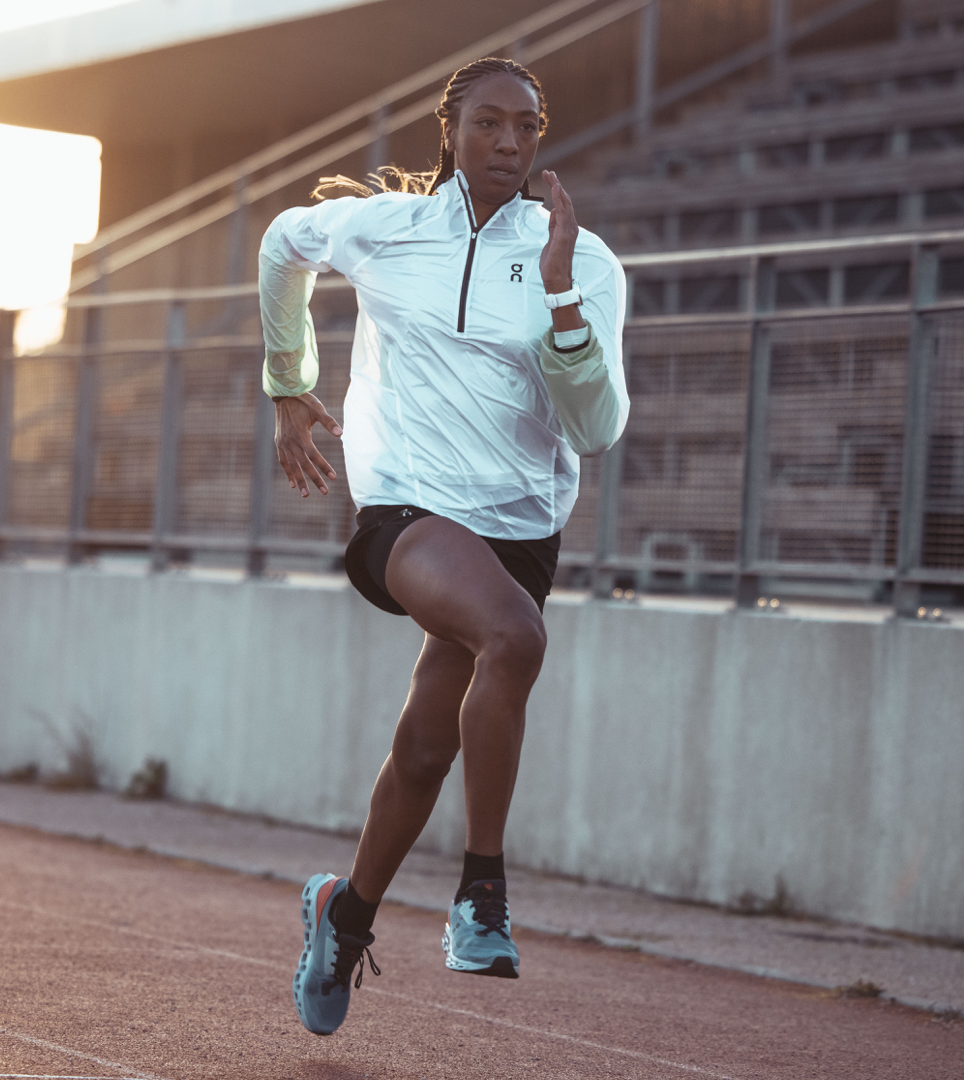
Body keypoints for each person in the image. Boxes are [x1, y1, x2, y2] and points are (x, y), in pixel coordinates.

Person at [259, 57, 628, 1037]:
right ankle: (482, 897)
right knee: (515, 639)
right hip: (406, 510)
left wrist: (557, 298)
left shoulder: (583, 260)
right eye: (489, 125)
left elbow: (595, 427)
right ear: (449, 130)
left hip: (521, 527)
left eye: (527, 128)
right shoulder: (387, 231)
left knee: (427, 745)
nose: (509, 144)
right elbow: (280, 244)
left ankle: (347, 912)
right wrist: (288, 380)